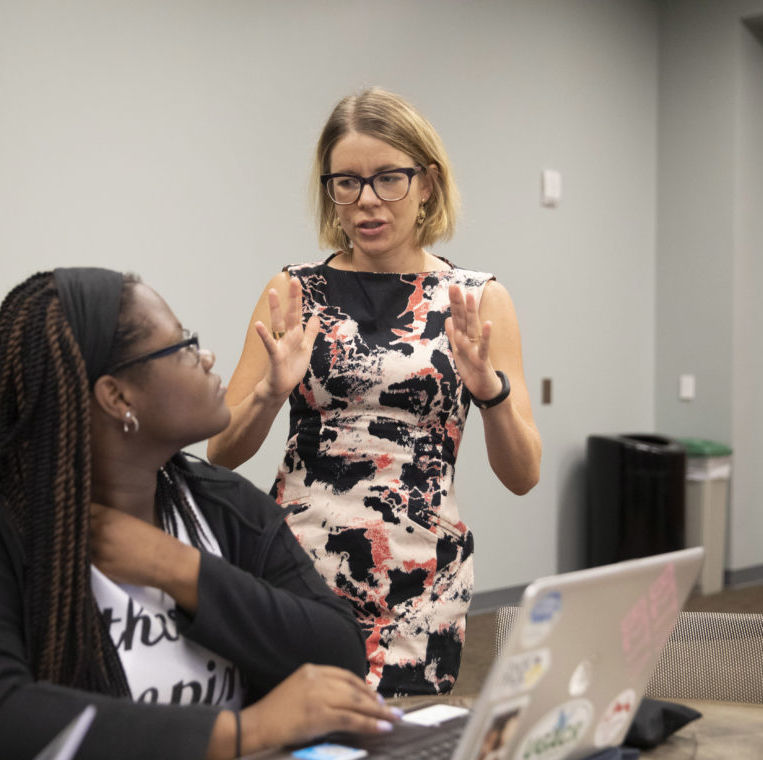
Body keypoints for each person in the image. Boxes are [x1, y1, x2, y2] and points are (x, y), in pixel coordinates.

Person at [0, 268, 401, 760]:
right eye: (182, 346)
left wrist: (179, 569)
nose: (206, 357)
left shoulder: (220, 504)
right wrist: (240, 734)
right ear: (117, 396)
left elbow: (338, 655)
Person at [207, 88, 542, 697]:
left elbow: (524, 475)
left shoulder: (477, 298)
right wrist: (269, 395)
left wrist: (489, 393)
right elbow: (220, 451)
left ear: (427, 184)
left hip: (422, 577)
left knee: (402, 743)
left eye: (389, 178)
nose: (366, 200)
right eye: (347, 182)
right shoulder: (294, 290)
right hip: (299, 567)